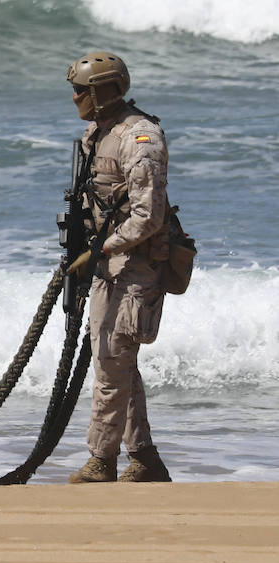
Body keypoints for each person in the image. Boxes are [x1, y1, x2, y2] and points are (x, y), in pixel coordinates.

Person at [63, 50, 173, 483]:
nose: (74, 98)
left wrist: (101, 248)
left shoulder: (139, 137)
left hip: (135, 264)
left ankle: (101, 461)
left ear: (102, 91)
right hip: (110, 261)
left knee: (112, 361)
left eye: (80, 91)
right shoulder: (98, 133)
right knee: (115, 363)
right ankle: (143, 457)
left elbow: (149, 215)